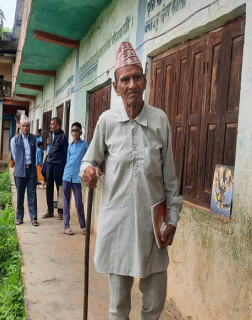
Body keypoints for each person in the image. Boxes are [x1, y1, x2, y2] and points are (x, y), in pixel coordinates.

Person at [80, 42, 183, 320]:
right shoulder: (106, 122)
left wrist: (172, 218)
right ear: (116, 87)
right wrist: (87, 170)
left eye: (137, 77)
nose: (132, 84)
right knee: (118, 307)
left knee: (154, 303)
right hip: (118, 227)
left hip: (153, 228)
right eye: (125, 79)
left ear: (146, 81)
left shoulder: (160, 121)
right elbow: (88, 161)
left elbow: (171, 180)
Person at [10, 115, 39, 227]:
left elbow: (35, 152)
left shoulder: (34, 138)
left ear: (29, 126)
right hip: (20, 171)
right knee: (20, 195)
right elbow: (15, 155)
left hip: (31, 170)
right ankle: (19, 217)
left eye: (27, 126)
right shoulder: (14, 140)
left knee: (32, 194)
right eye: (23, 126)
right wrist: (21, 165)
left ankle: (34, 218)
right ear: (20, 127)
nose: (26, 128)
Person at [61, 122, 89, 236]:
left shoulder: (85, 144)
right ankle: (66, 226)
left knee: (78, 202)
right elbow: (68, 160)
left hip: (77, 178)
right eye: (72, 130)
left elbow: (90, 157)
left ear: (81, 132)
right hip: (67, 176)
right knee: (66, 202)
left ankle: (83, 226)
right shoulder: (70, 146)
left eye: (76, 130)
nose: (74, 132)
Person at [42, 117, 68, 220]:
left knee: (60, 188)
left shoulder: (63, 137)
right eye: (50, 124)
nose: (50, 126)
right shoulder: (50, 134)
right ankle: (50, 210)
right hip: (49, 164)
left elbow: (66, 153)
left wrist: (64, 166)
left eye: (52, 124)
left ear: (58, 125)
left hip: (59, 165)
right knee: (49, 188)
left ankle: (60, 211)